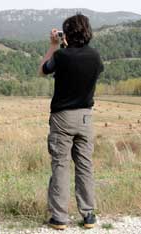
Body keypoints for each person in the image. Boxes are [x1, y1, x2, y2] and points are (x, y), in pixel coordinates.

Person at [38, 13, 104, 230]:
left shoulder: (62, 56)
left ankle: (60, 217)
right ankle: (88, 215)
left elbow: (43, 70)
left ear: (67, 33)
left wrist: (53, 45)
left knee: (61, 166)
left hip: (62, 118)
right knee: (85, 166)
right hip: (86, 117)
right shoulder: (95, 57)